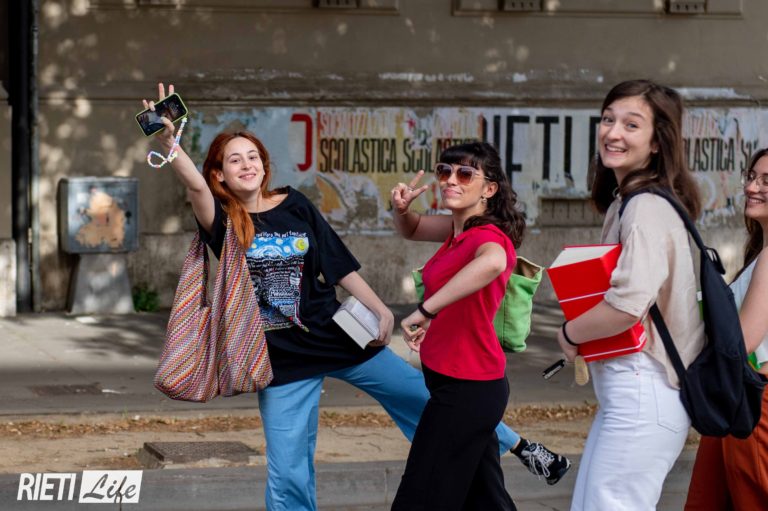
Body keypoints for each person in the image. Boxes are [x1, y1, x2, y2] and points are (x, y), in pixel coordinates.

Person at [141, 84, 562, 511]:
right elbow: (195, 187)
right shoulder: (224, 220)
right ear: (219, 175)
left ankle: (519, 445)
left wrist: (379, 307)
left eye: (253, 156)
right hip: (282, 359)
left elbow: (335, 261)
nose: (247, 165)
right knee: (288, 475)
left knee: (427, 402)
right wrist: (169, 140)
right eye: (235, 160)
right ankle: (515, 448)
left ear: (264, 165)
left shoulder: (294, 203)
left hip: (338, 334)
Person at [553, 79, 706, 510]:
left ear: (657, 142)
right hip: (631, 392)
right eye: (608, 119)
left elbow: (626, 306)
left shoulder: (645, 207)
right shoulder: (629, 201)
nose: (613, 133)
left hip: (644, 389)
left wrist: (569, 333)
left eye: (631, 124)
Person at [389, 141, 558, 510]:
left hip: (467, 389)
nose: (451, 180)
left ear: (489, 189)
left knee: (419, 498)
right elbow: (412, 228)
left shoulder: (489, 237)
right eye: (444, 171)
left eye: (465, 174)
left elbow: (494, 262)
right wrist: (401, 210)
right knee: (486, 501)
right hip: (456, 381)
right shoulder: (458, 230)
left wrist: (426, 310)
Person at [683, 148, 768, 510]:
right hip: (738, 395)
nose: (752, 187)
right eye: (751, 177)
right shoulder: (760, 253)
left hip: (753, 399)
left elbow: (741, 341)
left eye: (766, 181)